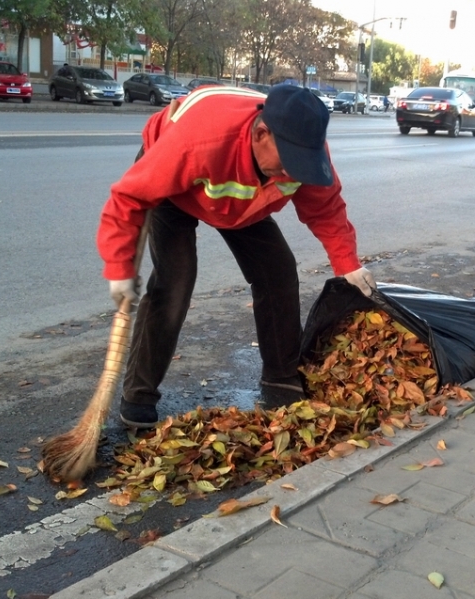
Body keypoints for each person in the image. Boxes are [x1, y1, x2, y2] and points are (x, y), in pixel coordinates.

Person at [96, 84, 376, 428]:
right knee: (175, 278)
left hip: (241, 205)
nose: (294, 175)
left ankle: (280, 376)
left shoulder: (304, 154)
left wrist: (348, 265)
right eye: (289, 165)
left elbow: (327, 210)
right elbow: (128, 198)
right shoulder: (196, 143)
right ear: (261, 133)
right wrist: (119, 267)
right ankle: (138, 395)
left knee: (278, 269)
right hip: (175, 189)